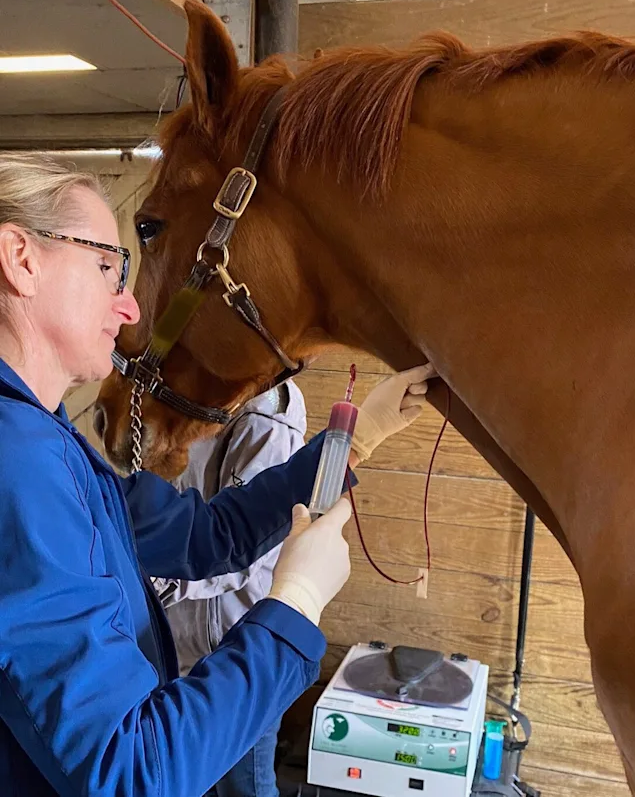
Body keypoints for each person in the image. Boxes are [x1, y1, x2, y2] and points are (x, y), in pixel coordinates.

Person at [0, 152, 432, 797]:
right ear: (21, 259)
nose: (129, 310)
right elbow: (133, 772)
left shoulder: (48, 439)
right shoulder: (18, 464)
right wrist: (296, 607)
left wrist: (354, 440)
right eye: (107, 267)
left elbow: (207, 538)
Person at [156, 379, 307, 797]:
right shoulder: (183, 393)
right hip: (180, 649)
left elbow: (242, 549)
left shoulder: (265, 418)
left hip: (235, 654)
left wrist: (154, 578)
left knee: (247, 787)